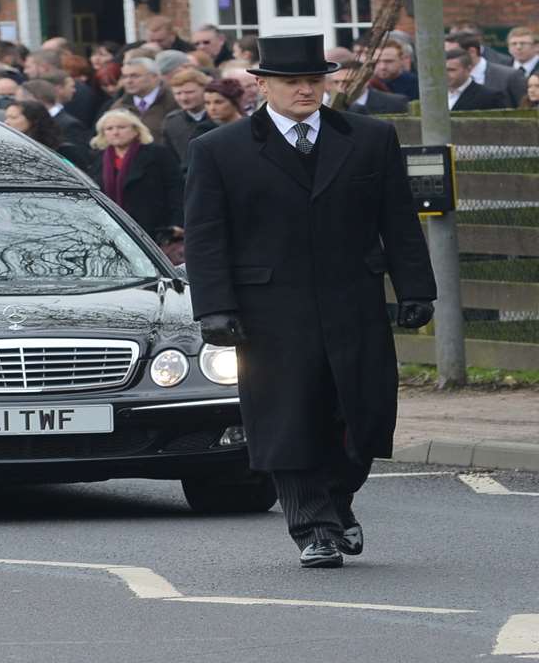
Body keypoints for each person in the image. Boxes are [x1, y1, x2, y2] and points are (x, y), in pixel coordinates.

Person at [184, 33, 435, 569]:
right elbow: (207, 236)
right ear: (263, 84)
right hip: (269, 308)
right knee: (288, 415)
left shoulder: (370, 138)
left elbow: (398, 220)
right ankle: (313, 527)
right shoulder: (218, 149)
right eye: (292, 81)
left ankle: (338, 503)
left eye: (314, 81)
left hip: (354, 300)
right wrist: (214, 308)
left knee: (361, 415)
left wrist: (416, 288)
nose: (305, 90)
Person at [88, 108, 182, 253]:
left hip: (153, 228)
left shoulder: (158, 154)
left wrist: (177, 223)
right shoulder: (97, 160)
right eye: (109, 128)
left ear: (136, 130)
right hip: (111, 230)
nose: (115, 132)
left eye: (121, 127)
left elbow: (175, 189)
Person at [4, 99, 89, 171]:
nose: (6, 122)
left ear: (32, 120)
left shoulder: (63, 150)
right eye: (6, 117)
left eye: (13, 118)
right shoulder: (9, 146)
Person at [160, 67, 215, 164]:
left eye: (189, 92)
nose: (184, 98)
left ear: (205, 90)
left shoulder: (219, 117)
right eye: (178, 93)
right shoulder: (172, 121)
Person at [445, 48, 511, 111]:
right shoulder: (436, 96)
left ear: (468, 69)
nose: (445, 74)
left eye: (451, 70)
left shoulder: (490, 97)